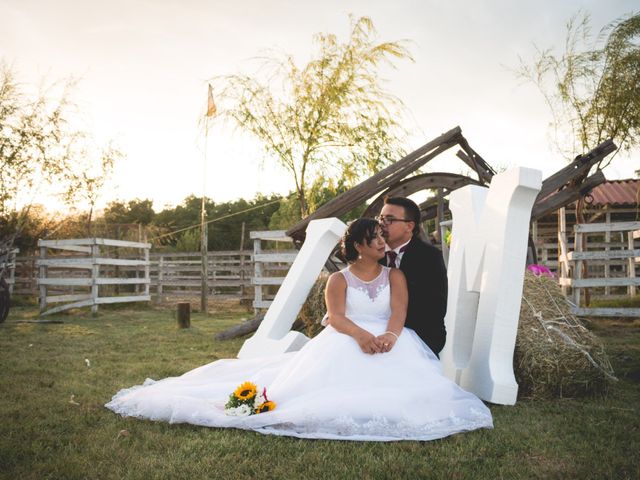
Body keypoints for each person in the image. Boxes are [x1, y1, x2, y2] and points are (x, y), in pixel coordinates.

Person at [106, 219, 492, 441]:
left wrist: (389, 337)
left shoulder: (396, 275)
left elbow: (400, 311)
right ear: (358, 245)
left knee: (413, 386)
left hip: (391, 339)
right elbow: (336, 318)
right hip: (347, 337)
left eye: (382, 237)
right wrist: (362, 337)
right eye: (375, 238)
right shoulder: (337, 280)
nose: (382, 242)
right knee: (308, 385)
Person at [378, 197, 448, 355]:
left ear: (409, 226)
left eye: (389, 219)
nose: (382, 224)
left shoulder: (429, 257)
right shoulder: (372, 252)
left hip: (419, 333)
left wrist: (394, 331)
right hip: (377, 330)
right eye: (381, 218)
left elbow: (435, 309)